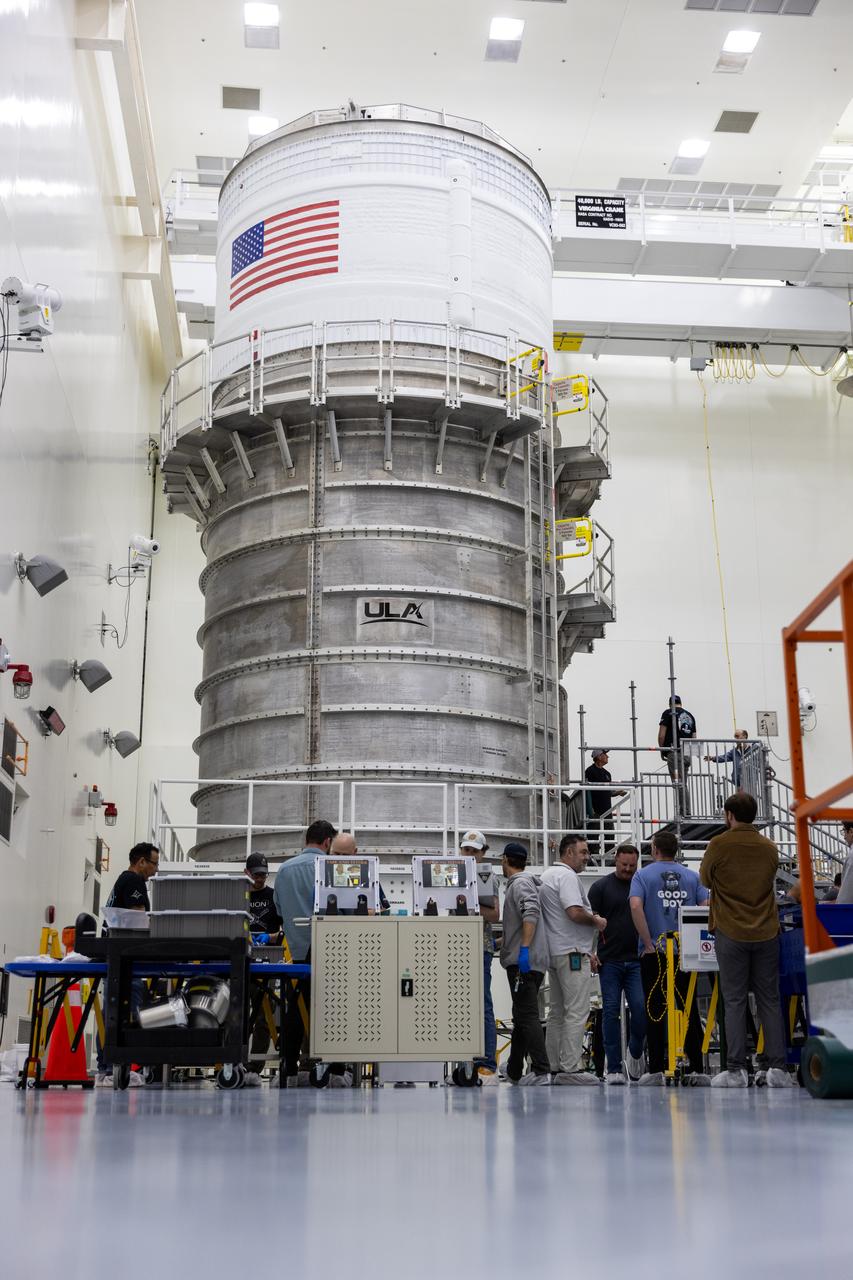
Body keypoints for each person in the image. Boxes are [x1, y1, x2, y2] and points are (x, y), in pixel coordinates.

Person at [700, 793, 793, 1088]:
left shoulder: (719, 844)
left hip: (731, 931)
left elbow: (704, 879)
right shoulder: (769, 847)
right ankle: (779, 1068)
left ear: (729, 814)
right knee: (769, 999)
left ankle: (736, 1069)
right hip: (766, 930)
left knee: (735, 999)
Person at [629, 830, 710, 1086]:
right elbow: (705, 908)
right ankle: (696, 1067)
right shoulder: (692, 876)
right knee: (688, 1009)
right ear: (676, 850)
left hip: (656, 952)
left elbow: (634, 906)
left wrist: (647, 942)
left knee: (655, 1010)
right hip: (685, 953)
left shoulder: (642, 875)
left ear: (654, 849)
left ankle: (655, 1070)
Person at [273, 820, 340, 1087]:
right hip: (329, 954)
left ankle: (289, 1064)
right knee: (331, 1010)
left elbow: (278, 910)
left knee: (294, 1009)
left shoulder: (284, 870)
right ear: (326, 842)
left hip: (295, 953)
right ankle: (328, 1066)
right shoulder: (329, 868)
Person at [539, 833, 605, 1085]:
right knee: (578, 1010)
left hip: (555, 952)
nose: (587, 857)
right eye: (583, 852)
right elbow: (574, 912)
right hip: (572, 953)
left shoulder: (547, 876)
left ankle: (554, 1066)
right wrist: (597, 921)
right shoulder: (566, 876)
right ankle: (569, 1068)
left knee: (557, 1011)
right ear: (568, 853)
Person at [96, 842, 160, 1086]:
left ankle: (107, 1067)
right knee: (126, 1010)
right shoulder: (134, 882)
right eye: (153, 864)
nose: (154, 870)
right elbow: (138, 920)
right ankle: (116, 1067)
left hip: (114, 955)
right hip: (125, 958)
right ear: (141, 862)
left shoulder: (121, 881)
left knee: (111, 1011)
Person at [588, 843, 646, 1085]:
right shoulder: (600, 887)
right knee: (610, 1011)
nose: (628, 869)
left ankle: (634, 1053)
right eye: (624, 865)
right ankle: (612, 1068)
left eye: (632, 866)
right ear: (616, 862)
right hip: (609, 961)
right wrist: (590, 951)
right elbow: (588, 921)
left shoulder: (640, 885)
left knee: (641, 1009)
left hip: (636, 960)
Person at [499, 842, 552, 1085]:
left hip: (525, 962)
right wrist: (500, 940)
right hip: (535, 960)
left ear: (505, 860)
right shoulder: (528, 882)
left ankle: (541, 1070)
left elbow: (530, 912)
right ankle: (513, 1071)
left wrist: (522, 950)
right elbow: (522, 923)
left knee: (527, 1014)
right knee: (520, 1015)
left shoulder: (519, 884)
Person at [460, 830, 500, 1084]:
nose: (470, 855)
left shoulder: (487, 876)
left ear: (483, 852)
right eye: (466, 850)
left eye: (475, 851)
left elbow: (495, 914)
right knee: (460, 1006)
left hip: (480, 946)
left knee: (482, 1005)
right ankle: (463, 1061)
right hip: (456, 947)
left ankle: (486, 1063)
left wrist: (470, 905)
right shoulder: (453, 874)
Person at [244, 851, 283, 1085]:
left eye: (263, 875)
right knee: (236, 1014)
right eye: (256, 875)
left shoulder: (273, 896)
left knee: (262, 1014)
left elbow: (283, 929)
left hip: (267, 960)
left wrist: (268, 937)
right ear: (246, 873)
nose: (260, 879)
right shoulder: (239, 894)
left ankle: (255, 1066)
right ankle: (234, 1060)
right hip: (243, 960)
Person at [584, 749, 626, 860]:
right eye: (605, 754)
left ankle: (610, 855)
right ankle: (593, 855)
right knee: (594, 833)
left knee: (609, 833)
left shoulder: (607, 774)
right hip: (595, 809)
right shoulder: (590, 771)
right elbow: (587, 790)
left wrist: (617, 792)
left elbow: (607, 792)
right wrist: (590, 809)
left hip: (607, 809)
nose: (607, 757)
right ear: (598, 757)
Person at [658, 695, 696, 816]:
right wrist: (690, 755)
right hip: (686, 753)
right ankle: (686, 811)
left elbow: (661, 735)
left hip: (674, 753)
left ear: (670, 704)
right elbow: (694, 738)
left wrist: (662, 750)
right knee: (683, 783)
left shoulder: (668, 713)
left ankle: (684, 812)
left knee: (678, 783)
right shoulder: (690, 716)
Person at [835, 821, 853, 904]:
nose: (844, 837)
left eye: (844, 831)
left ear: (851, 831)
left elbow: (846, 895)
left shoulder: (851, 857)